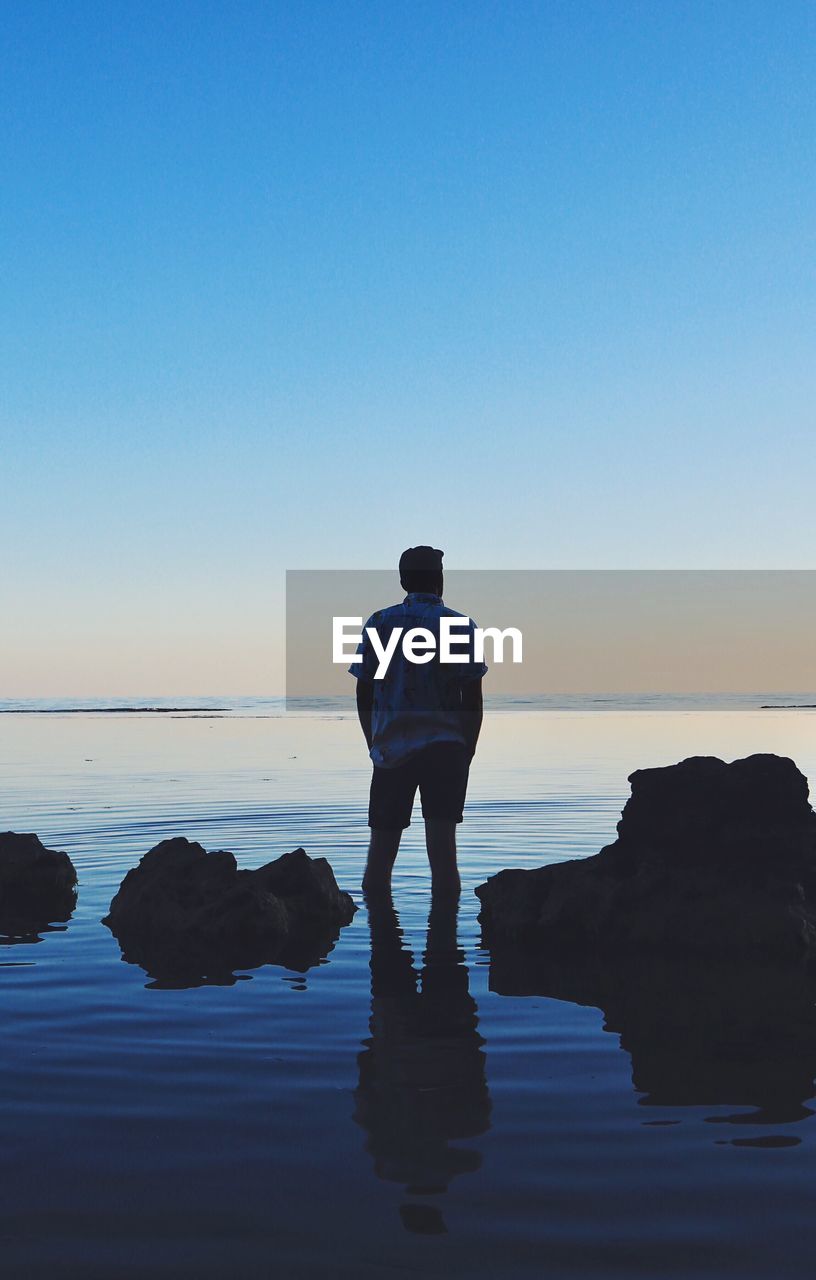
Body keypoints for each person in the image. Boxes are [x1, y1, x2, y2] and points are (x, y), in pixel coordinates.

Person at [348, 546, 486, 895]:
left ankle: (380, 937)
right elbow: (472, 697)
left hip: (391, 749)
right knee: (444, 860)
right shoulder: (458, 624)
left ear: (402, 581)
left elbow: (364, 692)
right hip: (446, 749)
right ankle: (446, 940)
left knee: (379, 860)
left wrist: (372, 741)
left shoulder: (379, 622)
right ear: (440, 580)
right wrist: (467, 749)